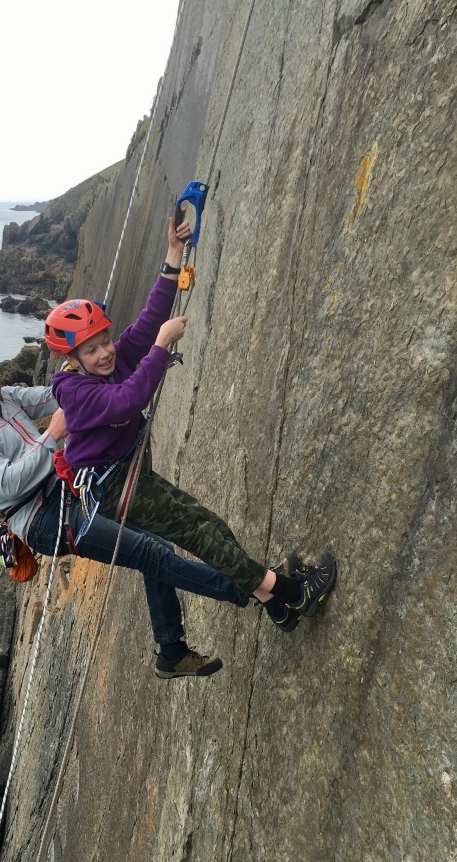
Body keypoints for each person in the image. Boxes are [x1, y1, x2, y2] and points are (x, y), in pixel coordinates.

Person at [41, 216, 336, 667]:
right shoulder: (77, 392)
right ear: (72, 360)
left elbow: (145, 323)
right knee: (202, 537)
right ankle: (293, 593)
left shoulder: (101, 365)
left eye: (104, 341)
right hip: (117, 489)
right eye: (91, 349)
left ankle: (275, 604)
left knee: (210, 526)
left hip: (131, 477)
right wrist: (160, 348)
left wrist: (173, 255)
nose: (105, 352)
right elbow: (127, 401)